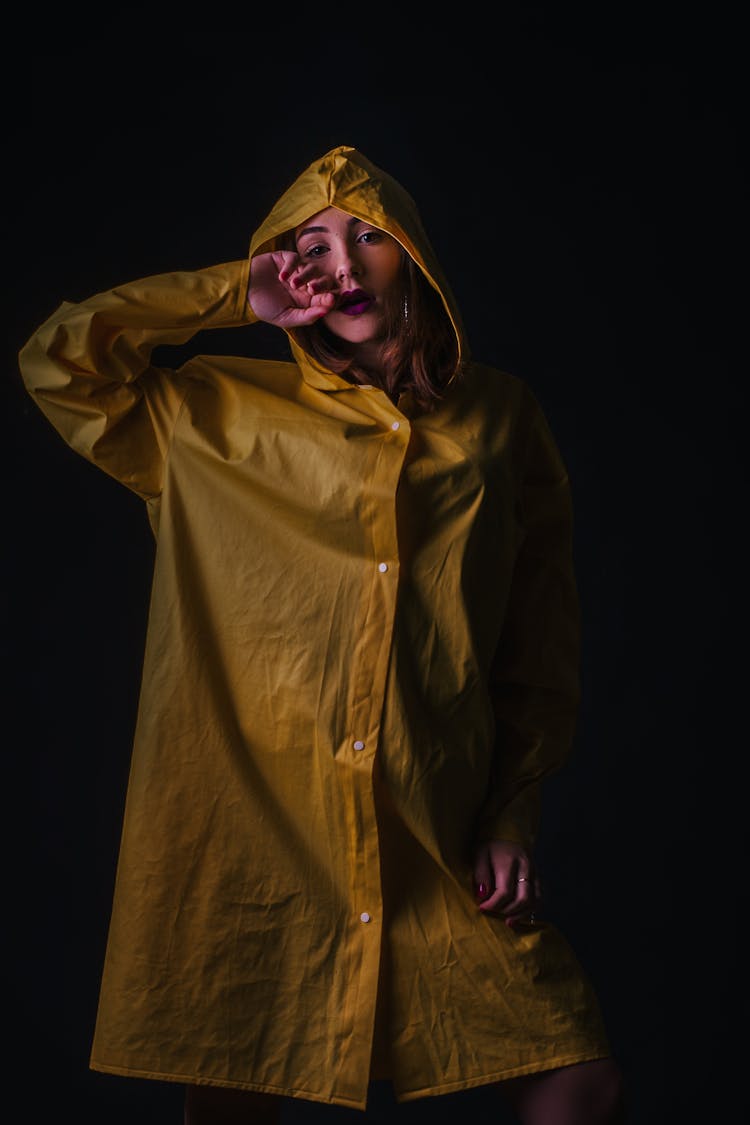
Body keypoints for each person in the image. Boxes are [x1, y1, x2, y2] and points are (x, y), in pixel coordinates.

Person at [18, 145, 626, 1124]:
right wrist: (231, 295)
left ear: (414, 262)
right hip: (251, 834)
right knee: (237, 1091)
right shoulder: (206, 409)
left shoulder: (502, 418)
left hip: (427, 826)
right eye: (309, 245)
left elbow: (535, 640)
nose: (339, 263)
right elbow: (58, 360)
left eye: (367, 236)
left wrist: (511, 815)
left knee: (575, 1071)